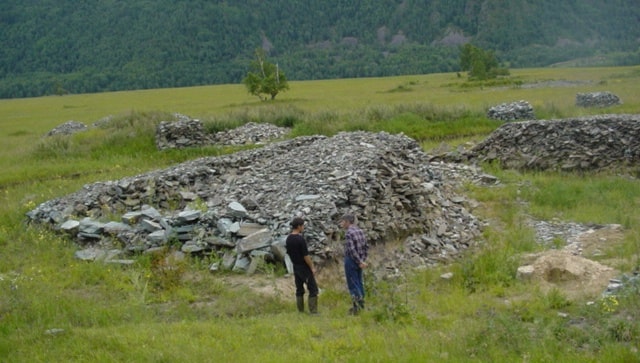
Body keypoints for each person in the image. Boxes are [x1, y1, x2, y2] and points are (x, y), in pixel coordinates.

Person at [285, 217, 319, 314]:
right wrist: (312, 267)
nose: (303, 227)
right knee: (313, 289)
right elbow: (306, 256)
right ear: (299, 226)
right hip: (304, 267)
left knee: (299, 289)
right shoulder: (300, 239)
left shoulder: (289, 239)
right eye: (303, 225)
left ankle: (300, 310)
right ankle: (313, 311)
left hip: (295, 266)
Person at [340, 213, 369, 315]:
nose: (341, 224)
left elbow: (351, 250)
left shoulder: (349, 233)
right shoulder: (360, 231)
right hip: (360, 260)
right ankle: (362, 304)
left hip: (351, 260)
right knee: (359, 282)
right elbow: (366, 247)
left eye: (342, 221)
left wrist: (358, 261)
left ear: (348, 222)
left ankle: (357, 307)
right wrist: (362, 260)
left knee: (353, 284)